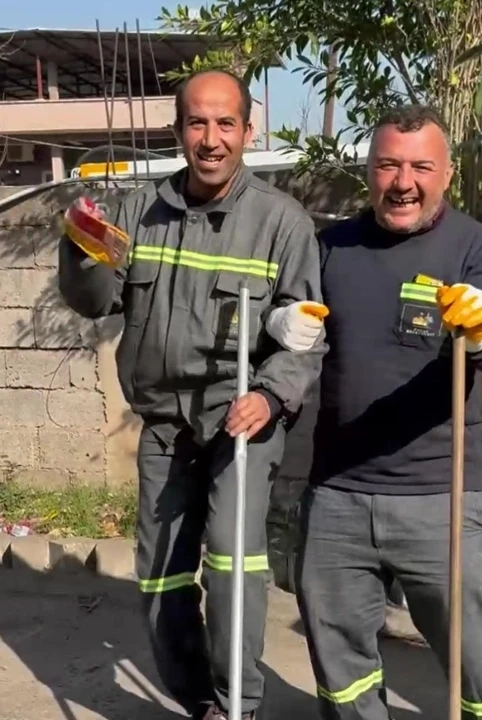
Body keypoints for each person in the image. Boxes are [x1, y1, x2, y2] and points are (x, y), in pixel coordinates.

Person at [57, 69, 325, 720]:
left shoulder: (281, 223)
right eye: (197, 124)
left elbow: (306, 334)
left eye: (225, 123)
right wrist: (81, 246)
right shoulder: (135, 213)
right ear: (178, 131)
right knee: (160, 575)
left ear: (247, 131)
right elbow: (92, 301)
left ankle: (241, 705)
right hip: (164, 423)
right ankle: (198, 698)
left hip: (242, 421)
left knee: (235, 566)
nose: (211, 139)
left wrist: (269, 395)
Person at [289, 105, 482, 720]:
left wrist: (480, 331)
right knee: (339, 665)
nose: (403, 181)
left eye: (421, 166)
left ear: (448, 173)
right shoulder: (332, 246)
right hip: (336, 495)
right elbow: (288, 334)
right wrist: (278, 325)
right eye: (388, 164)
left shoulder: (480, 248)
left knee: (480, 668)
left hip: (438, 499)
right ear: (368, 171)